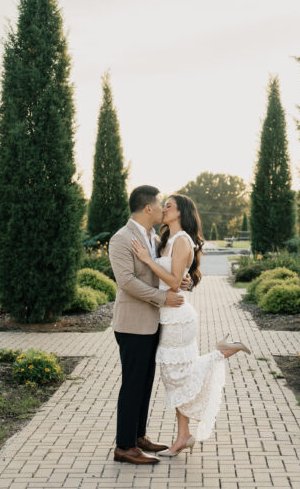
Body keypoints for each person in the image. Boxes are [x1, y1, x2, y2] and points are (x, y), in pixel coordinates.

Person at [131, 193, 251, 458]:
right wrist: (175, 275)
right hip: (167, 314)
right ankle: (183, 436)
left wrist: (150, 262)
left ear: (180, 212)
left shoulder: (183, 240)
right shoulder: (165, 240)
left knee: (178, 376)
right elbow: (176, 279)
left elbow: (174, 282)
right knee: (176, 379)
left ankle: (222, 352)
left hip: (178, 317)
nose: (164, 209)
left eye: (169, 206)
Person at [108, 185, 192, 465]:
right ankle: (124, 447)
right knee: (132, 384)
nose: (162, 209)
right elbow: (127, 282)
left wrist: (182, 281)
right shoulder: (121, 238)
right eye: (159, 205)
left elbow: (162, 271)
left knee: (145, 384)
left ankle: (138, 436)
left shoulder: (153, 236)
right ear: (147, 209)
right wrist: (162, 298)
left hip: (153, 323)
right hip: (132, 324)